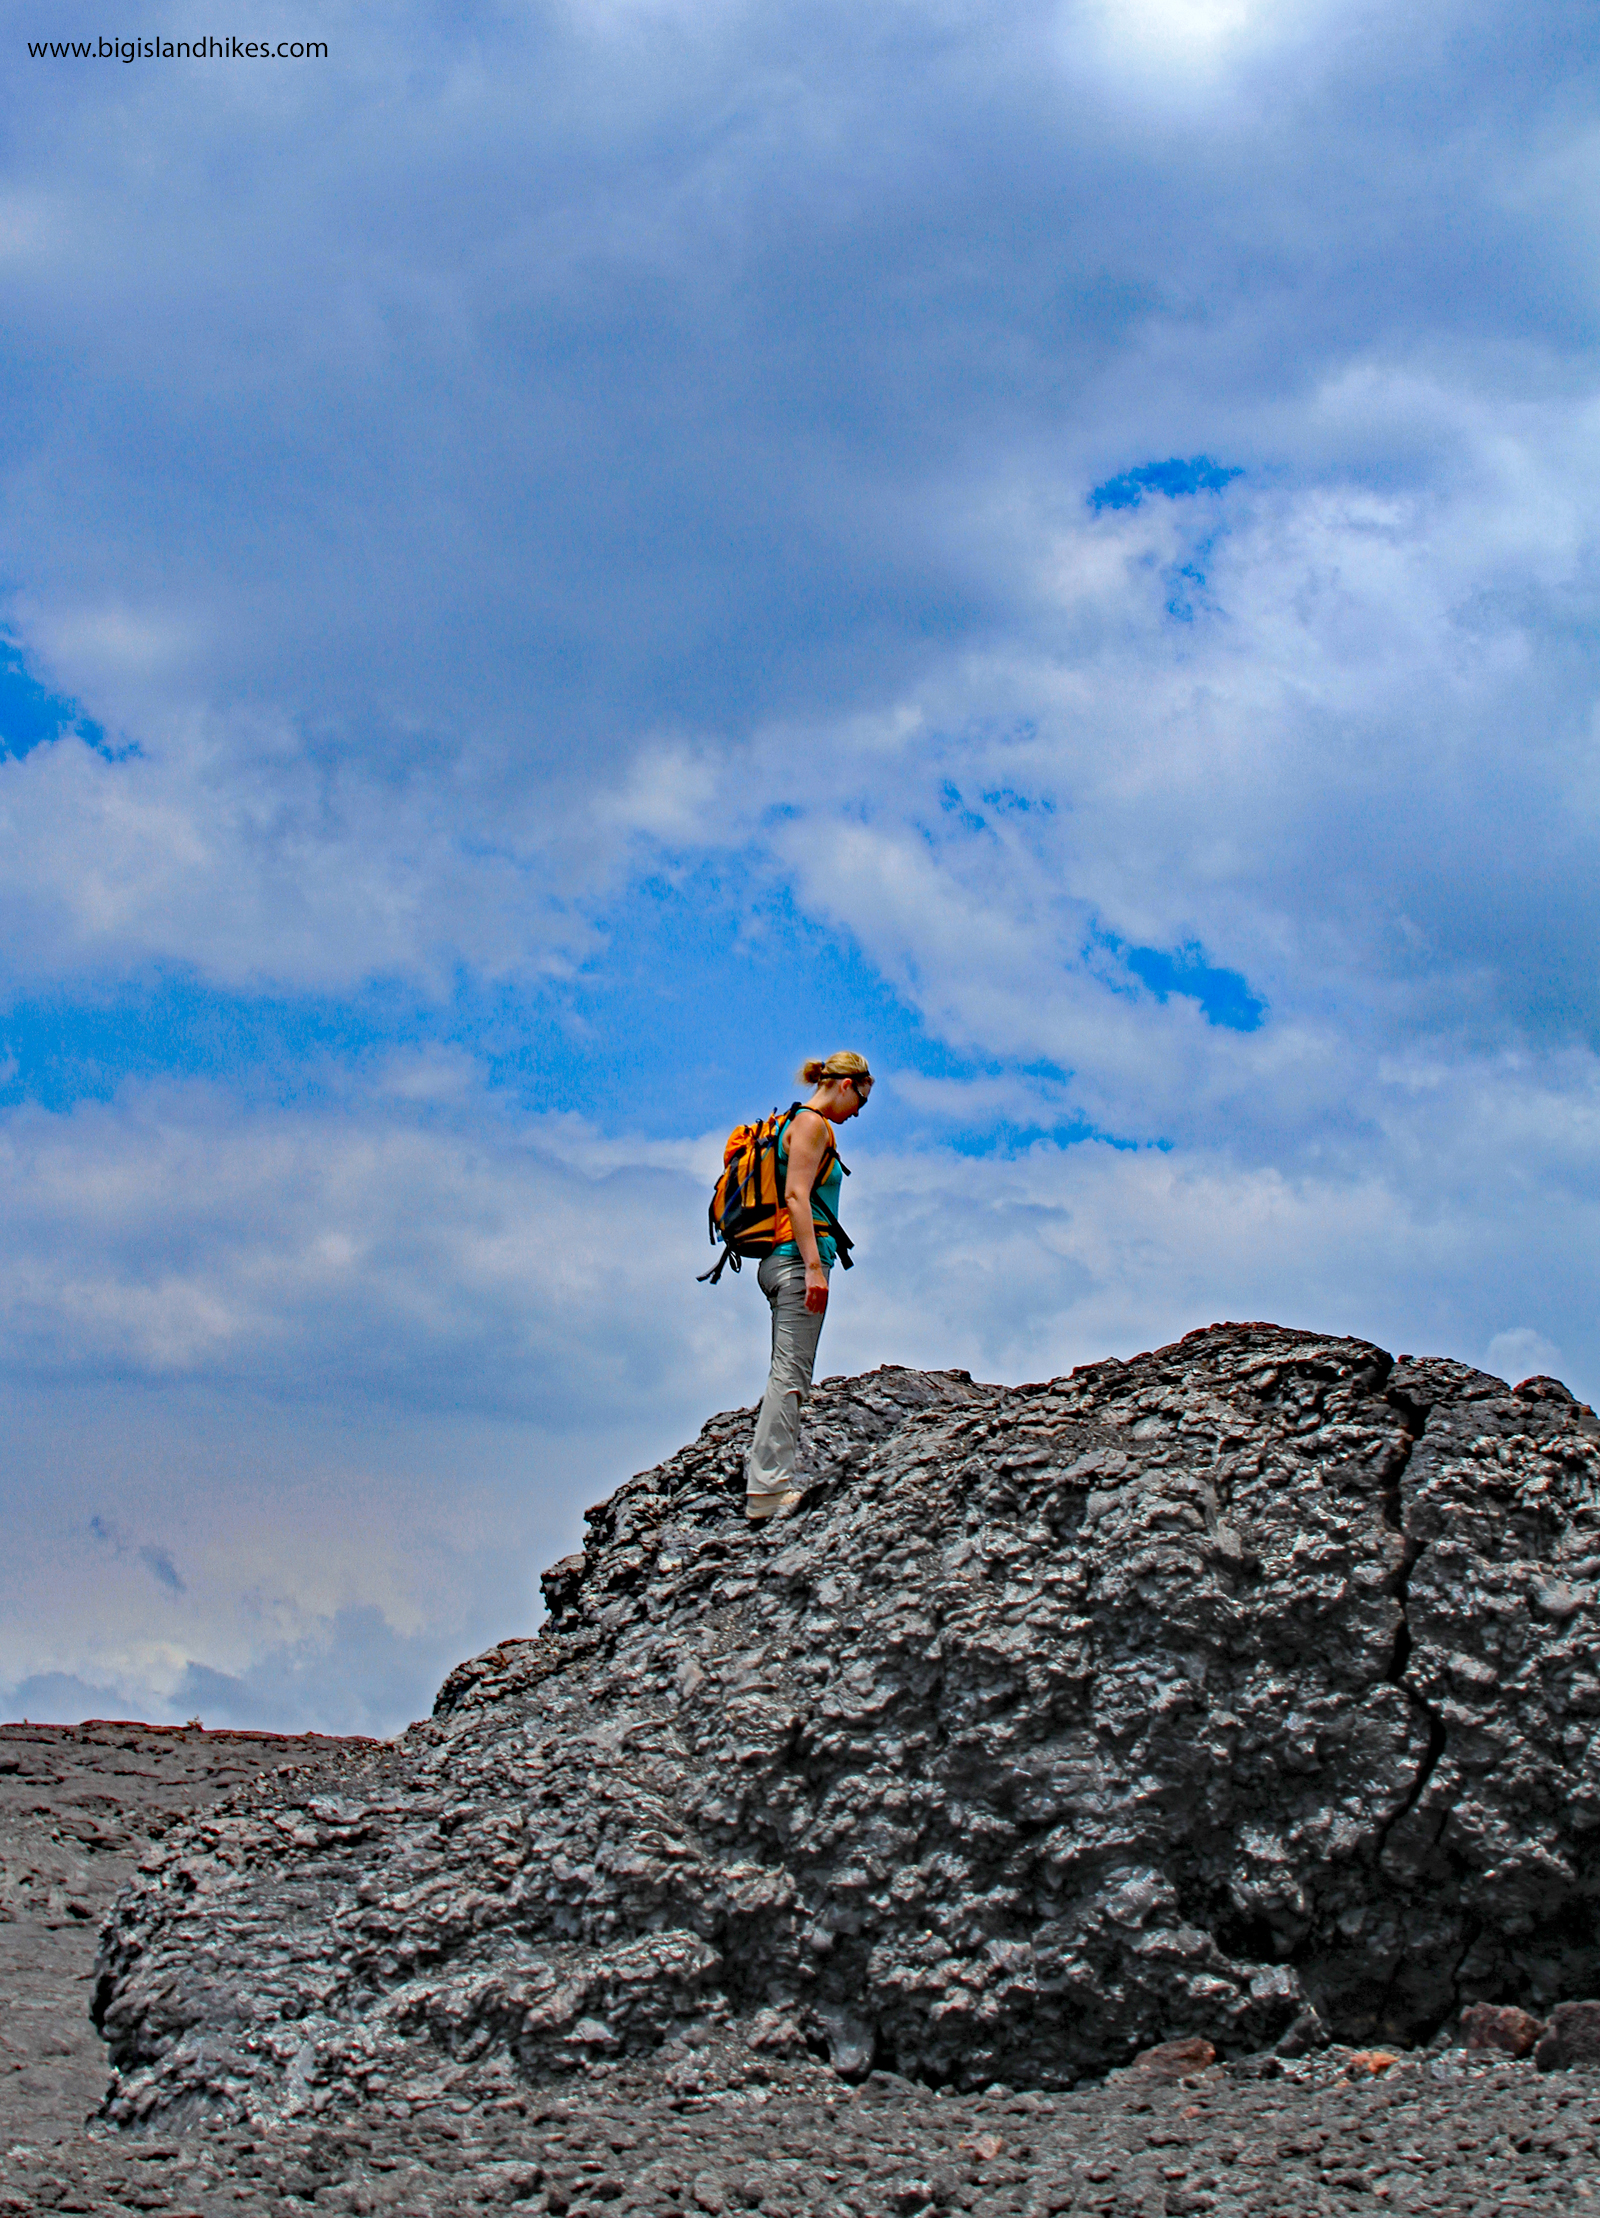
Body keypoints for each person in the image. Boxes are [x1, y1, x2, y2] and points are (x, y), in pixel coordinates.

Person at [744, 1052, 873, 1521]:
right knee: (790, 1376)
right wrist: (815, 1268)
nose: (858, 1111)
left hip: (783, 1261)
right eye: (860, 1097)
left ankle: (767, 1483)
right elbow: (798, 1195)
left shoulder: (793, 1122)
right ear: (845, 1085)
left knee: (788, 1372)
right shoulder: (813, 1124)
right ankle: (767, 1492)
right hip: (797, 1263)